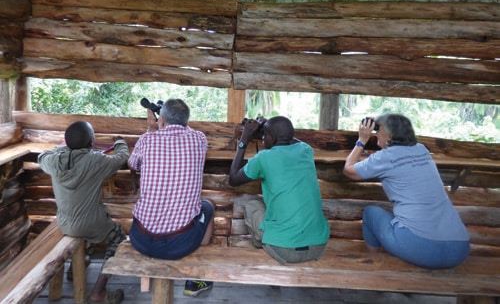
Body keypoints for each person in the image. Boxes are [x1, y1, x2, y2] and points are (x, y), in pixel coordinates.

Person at [343, 113, 470, 269]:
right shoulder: (422, 150)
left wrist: (362, 140)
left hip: (422, 248)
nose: (376, 134)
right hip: (459, 250)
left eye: (378, 130)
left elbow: (349, 170)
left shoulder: (385, 157)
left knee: (370, 213)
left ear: (388, 135)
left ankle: (374, 265)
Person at [128, 98, 215, 297]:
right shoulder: (199, 139)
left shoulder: (147, 139)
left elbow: (133, 164)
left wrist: (152, 129)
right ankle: (197, 277)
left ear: (162, 119)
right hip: (180, 244)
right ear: (186, 120)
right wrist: (170, 120)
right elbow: (185, 128)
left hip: (141, 238)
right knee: (208, 206)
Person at [38, 121, 130, 304]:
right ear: (91, 142)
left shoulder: (53, 161)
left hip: (64, 223)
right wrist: (120, 142)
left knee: (90, 228)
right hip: (92, 223)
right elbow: (121, 157)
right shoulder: (95, 160)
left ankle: (75, 269)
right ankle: (98, 291)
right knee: (118, 238)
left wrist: (62, 148)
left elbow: (42, 156)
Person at [228, 116, 330, 264]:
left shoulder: (264, 157)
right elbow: (290, 138)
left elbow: (233, 179)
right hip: (318, 246)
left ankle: (265, 243)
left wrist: (244, 140)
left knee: (253, 206)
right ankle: (271, 239)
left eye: (264, 136)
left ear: (272, 138)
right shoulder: (306, 151)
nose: (262, 139)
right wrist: (270, 127)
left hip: (285, 250)